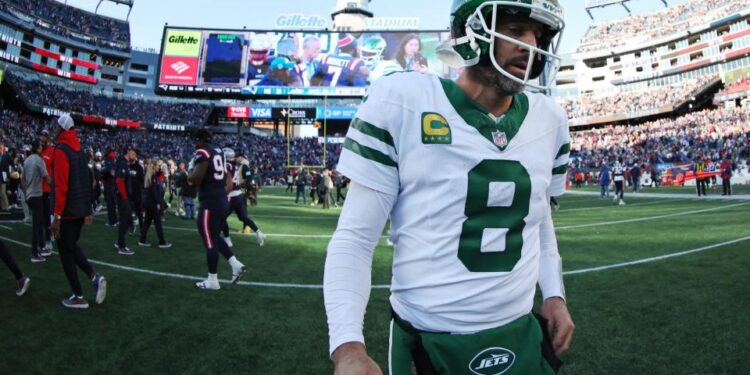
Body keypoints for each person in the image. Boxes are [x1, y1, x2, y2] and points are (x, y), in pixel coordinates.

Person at [324, 1, 574, 373]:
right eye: (518, 30)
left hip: (520, 333)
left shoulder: (550, 118)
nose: (531, 45)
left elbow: (538, 220)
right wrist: (347, 347)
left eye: (539, 35)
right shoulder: (404, 100)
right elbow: (355, 238)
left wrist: (553, 293)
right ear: (470, 30)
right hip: (429, 340)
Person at [49, 114, 107, 309]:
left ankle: (78, 295)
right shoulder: (80, 151)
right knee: (71, 246)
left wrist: (56, 216)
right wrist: (88, 209)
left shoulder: (61, 150)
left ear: (62, 129)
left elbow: (61, 186)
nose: (55, 129)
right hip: (80, 210)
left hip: (66, 211)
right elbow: (88, 182)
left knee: (65, 251)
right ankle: (94, 277)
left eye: (57, 127)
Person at [187, 129, 246, 290]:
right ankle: (235, 264)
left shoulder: (202, 153)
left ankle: (212, 280)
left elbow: (196, 180)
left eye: (196, 141)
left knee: (209, 241)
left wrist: (189, 174)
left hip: (210, 203)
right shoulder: (218, 152)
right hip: (221, 200)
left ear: (199, 140)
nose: (194, 144)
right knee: (214, 236)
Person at [219, 148, 265, 248]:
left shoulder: (235, 166)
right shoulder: (237, 165)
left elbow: (248, 178)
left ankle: (227, 239)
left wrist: (246, 189)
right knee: (243, 217)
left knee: (221, 217)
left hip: (232, 195)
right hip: (239, 195)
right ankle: (259, 232)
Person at [21, 139, 51, 262]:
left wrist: (26, 191)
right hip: (37, 195)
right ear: (37, 148)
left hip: (29, 195)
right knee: (37, 225)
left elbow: (22, 179)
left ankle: (42, 246)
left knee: (37, 223)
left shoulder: (27, 160)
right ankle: (35, 253)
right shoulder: (40, 160)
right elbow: (47, 178)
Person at [138, 159, 172, 248]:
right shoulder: (152, 177)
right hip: (152, 203)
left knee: (147, 222)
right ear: (153, 166)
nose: (159, 167)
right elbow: (155, 191)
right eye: (157, 165)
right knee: (158, 223)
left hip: (148, 203)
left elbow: (161, 173)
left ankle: (142, 240)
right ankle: (162, 242)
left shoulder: (150, 176)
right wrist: (158, 203)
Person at [114, 146, 136, 255]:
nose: (135, 154)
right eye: (133, 151)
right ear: (128, 151)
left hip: (124, 195)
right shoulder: (123, 163)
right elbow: (119, 181)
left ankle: (119, 242)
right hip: (123, 196)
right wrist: (124, 197)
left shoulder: (124, 163)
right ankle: (121, 246)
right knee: (125, 220)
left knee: (126, 220)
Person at [39, 129, 55, 251]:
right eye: (41, 136)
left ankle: (48, 239)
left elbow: (55, 169)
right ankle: (43, 238)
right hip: (37, 188)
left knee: (47, 216)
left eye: (45, 136)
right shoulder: (37, 150)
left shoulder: (52, 151)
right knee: (40, 216)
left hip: (47, 189)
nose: (42, 138)